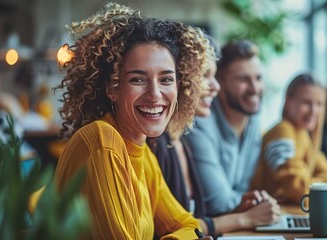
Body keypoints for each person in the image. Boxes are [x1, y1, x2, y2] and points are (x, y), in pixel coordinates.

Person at [53, 3, 213, 239]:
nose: (155, 94)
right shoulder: (102, 141)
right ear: (112, 87)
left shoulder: (142, 152)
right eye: (138, 79)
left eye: (166, 79)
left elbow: (187, 223)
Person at [150, 37, 280, 237]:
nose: (254, 88)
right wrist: (245, 217)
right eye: (205, 75)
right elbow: (185, 223)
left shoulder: (177, 141)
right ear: (182, 79)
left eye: (258, 78)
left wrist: (244, 206)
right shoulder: (179, 134)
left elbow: (189, 219)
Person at [184, 40, 275, 216]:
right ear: (221, 82)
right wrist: (255, 204)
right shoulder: (199, 123)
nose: (254, 88)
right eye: (244, 79)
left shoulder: (253, 118)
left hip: (236, 224)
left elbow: (243, 188)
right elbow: (218, 203)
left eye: (258, 78)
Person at [251, 73, 327, 204]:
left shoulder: (303, 135)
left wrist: (313, 184)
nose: (314, 110)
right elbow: (301, 191)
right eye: (307, 102)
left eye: (319, 104)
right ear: (289, 101)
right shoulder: (283, 131)